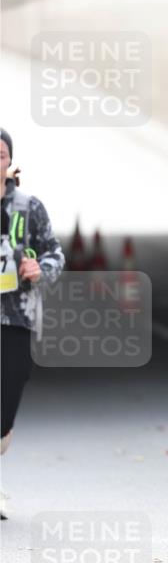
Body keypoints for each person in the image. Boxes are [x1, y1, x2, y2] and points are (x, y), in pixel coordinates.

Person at [0, 128, 65, 517]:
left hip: (15, 317)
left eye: (0, 154)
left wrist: (39, 268)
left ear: (9, 162)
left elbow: (55, 253)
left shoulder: (28, 206)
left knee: (4, 411)